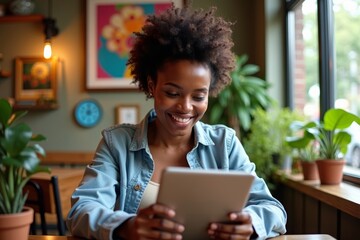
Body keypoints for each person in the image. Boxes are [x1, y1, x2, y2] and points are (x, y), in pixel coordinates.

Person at [66, 4, 287, 240]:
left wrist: (250, 224)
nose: (186, 107)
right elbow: (82, 210)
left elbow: (273, 209)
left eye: (199, 96)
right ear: (152, 86)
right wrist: (125, 227)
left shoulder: (225, 144)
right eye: (173, 93)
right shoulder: (116, 143)